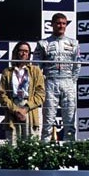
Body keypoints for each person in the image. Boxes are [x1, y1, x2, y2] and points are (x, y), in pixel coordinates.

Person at [33, 12, 80, 142]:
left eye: (64, 23)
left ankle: (69, 153)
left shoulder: (73, 43)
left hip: (68, 82)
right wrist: (42, 83)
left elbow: (77, 65)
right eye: (58, 23)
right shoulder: (43, 43)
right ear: (52, 24)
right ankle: (44, 152)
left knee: (70, 122)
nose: (61, 26)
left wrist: (72, 81)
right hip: (50, 82)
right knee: (48, 122)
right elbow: (36, 67)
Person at [0, 41, 46, 144]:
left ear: (29, 54)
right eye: (21, 51)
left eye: (26, 51)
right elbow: (2, 95)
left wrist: (25, 109)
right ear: (16, 52)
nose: (24, 53)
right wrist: (16, 110)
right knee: (12, 145)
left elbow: (40, 94)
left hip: (30, 109)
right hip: (13, 109)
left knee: (31, 146)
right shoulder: (7, 72)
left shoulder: (35, 71)